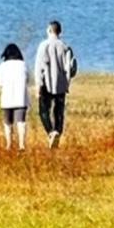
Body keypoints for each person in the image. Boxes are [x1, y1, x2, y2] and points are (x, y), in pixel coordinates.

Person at [33, 20, 74, 148]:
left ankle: (50, 132)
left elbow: (39, 68)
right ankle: (57, 131)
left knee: (43, 110)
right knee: (59, 111)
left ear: (49, 30)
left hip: (46, 83)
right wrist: (67, 84)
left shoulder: (43, 45)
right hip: (61, 84)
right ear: (60, 32)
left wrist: (38, 85)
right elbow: (69, 67)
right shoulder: (65, 47)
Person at [0, 42, 30, 151]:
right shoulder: (23, 64)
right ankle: (21, 145)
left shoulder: (3, 66)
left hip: (7, 98)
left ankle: (9, 144)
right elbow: (28, 79)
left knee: (7, 122)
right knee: (21, 121)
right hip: (21, 98)